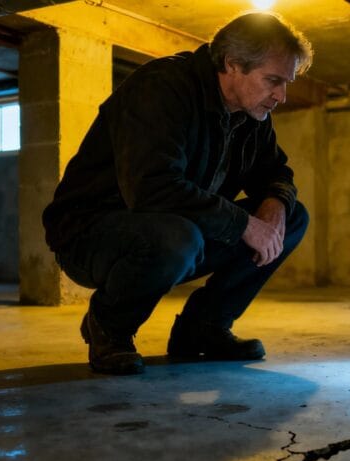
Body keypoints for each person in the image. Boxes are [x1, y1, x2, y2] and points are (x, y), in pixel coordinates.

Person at [42, 12, 313, 375]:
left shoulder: (252, 114)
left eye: (287, 82)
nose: (281, 96)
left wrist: (275, 205)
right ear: (232, 64)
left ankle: (202, 329)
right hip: (91, 234)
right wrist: (242, 223)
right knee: (177, 236)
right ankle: (110, 326)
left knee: (293, 217)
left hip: (179, 229)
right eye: (273, 81)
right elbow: (151, 188)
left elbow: (275, 172)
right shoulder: (161, 88)